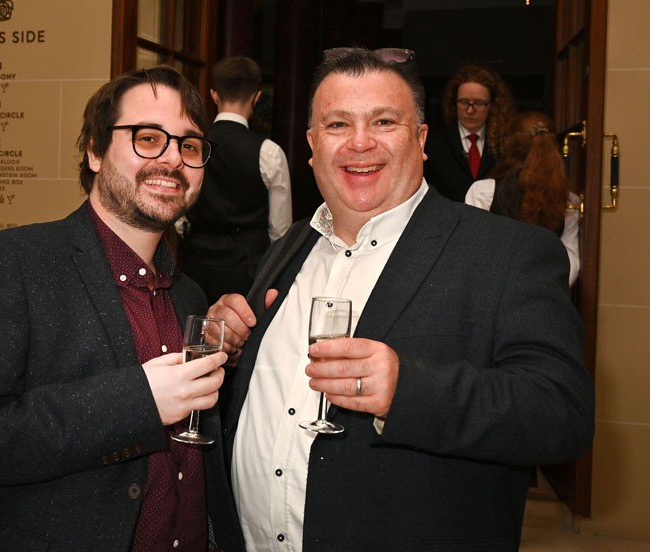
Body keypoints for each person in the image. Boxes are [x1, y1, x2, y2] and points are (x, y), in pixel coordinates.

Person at [209, 47, 594, 551]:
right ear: (311, 145)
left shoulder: (507, 255)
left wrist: (407, 390)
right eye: (337, 124)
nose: (359, 142)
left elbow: (562, 415)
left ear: (421, 139)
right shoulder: (287, 248)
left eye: (384, 121)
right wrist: (232, 351)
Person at [0, 66, 243, 551]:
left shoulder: (189, 296)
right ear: (95, 151)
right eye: (148, 138)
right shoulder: (12, 264)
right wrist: (138, 401)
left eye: (189, 146)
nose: (173, 158)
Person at [179, 56, 292, 304]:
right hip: (248, 266)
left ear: (214, 95)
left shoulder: (192, 146)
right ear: (257, 97)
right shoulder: (269, 152)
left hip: (196, 261)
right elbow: (280, 230)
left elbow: (179, 208)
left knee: (193, 323)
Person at [466, 111, 580, 286]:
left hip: (496, 292)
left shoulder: (483, 191)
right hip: (545, 295)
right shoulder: (568, 200)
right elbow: (571, 265)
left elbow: (472, 254)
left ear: (509, 145)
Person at [424, 64, 516, 202]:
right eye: (464, 102)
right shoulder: (433, 144)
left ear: (492, 105)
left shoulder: (504, 144)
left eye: (479, 103)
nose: (470, 110)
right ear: (454, 103)